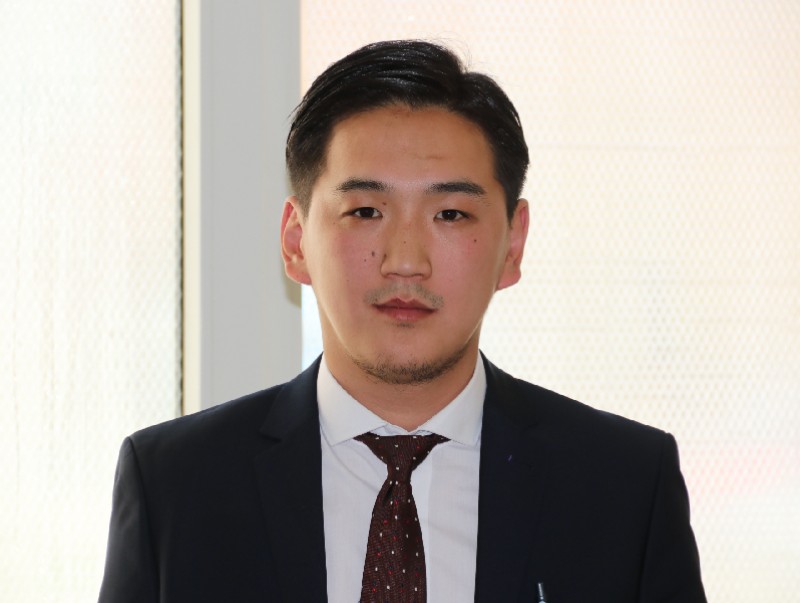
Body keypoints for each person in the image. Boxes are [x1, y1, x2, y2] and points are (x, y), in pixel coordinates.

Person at [99, 40, 706, 602]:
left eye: (451, 214)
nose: (406, 261)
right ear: (296, 240)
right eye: (366, 211)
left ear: (513, 245)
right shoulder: (175, 486)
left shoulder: (624, 486)